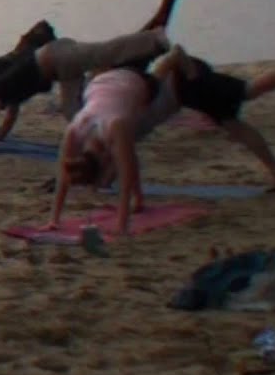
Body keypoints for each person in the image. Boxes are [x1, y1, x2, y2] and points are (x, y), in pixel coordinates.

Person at [0, 0, 198, 144]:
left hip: (58, 55)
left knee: (107, 51)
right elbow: (10, 117)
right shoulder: (13, 92)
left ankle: (157, 40)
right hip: (64, 72)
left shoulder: (1, 89)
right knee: (73, 113)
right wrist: (0, 137)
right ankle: (93, 134)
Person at [46, 46, 195, 234]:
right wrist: (54, 220)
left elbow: (125, 177)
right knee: (128, 150)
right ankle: (140, 199)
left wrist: (122, 225)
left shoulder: (115, 126)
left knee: (156, 77)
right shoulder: (75, 129)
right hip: (99, 83)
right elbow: (63, 176)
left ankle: (173, 56)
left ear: (104, 160)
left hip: (134, 83)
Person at [171, 54, 275, 190]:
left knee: (244, 101)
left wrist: (190, 72)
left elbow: (173, 50)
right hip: (188, 85)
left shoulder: (149, 47)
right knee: (239, 112)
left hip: (191, 83)